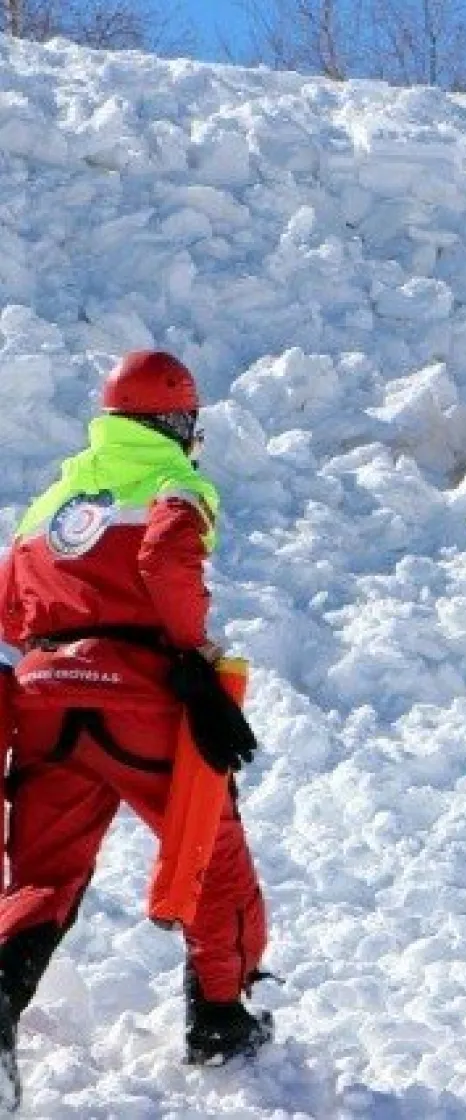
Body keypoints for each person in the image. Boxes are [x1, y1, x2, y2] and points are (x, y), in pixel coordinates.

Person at [0, 351, 272, 1105]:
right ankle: (219, 1017)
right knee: (213, 852)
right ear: (179, 423)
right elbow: (167, 555)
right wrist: (192, 653)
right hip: (140, 699)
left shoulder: (52, 499)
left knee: (45, 874)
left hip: (45, 699)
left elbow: (9, 606)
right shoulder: (175, 483)